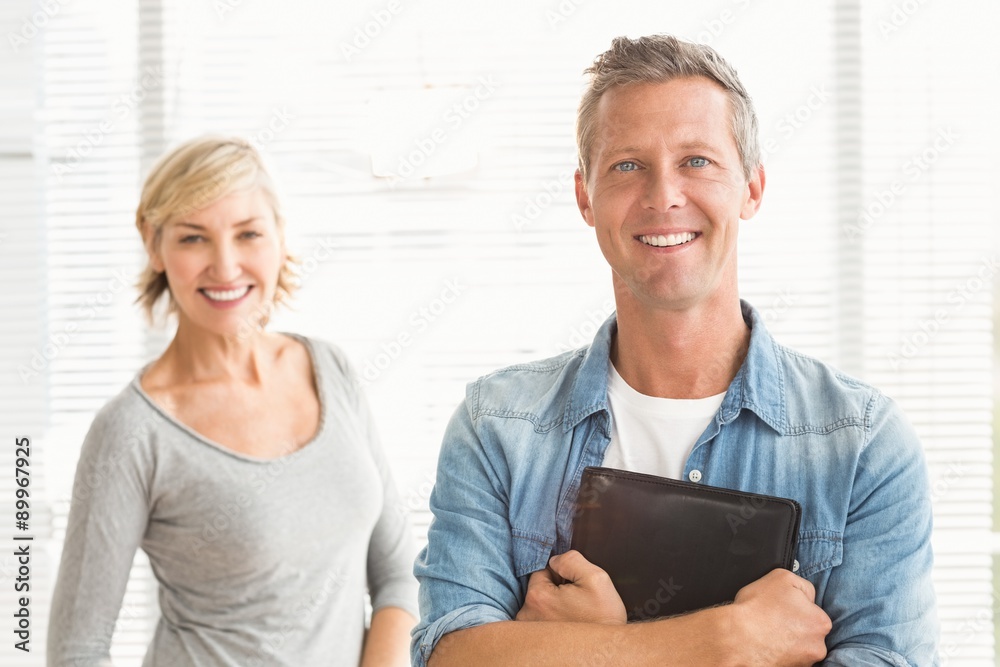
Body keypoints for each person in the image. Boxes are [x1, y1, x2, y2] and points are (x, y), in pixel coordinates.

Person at [412, 35, 938, 666]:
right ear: (586, 196)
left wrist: (585, 648)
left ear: (751, 187)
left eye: (697, 161)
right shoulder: (496, 426)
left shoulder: (862, 444)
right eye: (628, 165)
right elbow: (451, 655)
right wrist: (725, 641)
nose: (664, 195)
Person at [48, 136, 417, 666]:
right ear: (154, 245)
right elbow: (76, 652)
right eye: (193, 238)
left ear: (279, 236)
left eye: (248, 234)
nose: (224, 267)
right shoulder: (131, 432)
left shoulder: (330, 370)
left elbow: (398, 577)